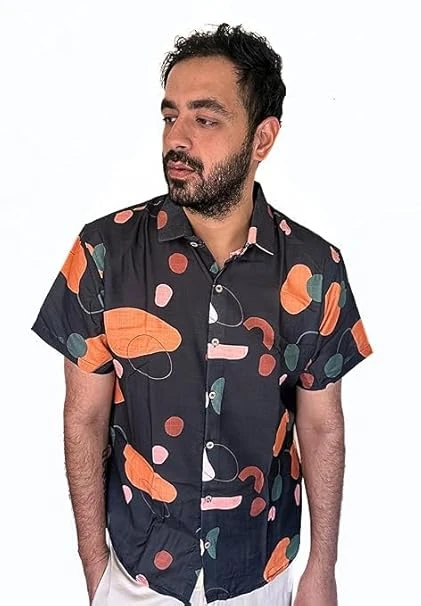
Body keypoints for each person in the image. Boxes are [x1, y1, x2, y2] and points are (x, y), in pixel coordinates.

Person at [31, 23, 373, 606]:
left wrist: (323, 567)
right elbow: (83, 419)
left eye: (205, 119)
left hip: (260, 571)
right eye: (170, 116)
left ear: (262, 138)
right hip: (137, 572)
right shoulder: (103, 254)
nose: (177, 138)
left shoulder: (314, 270)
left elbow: (321, 426)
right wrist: (95, 566)